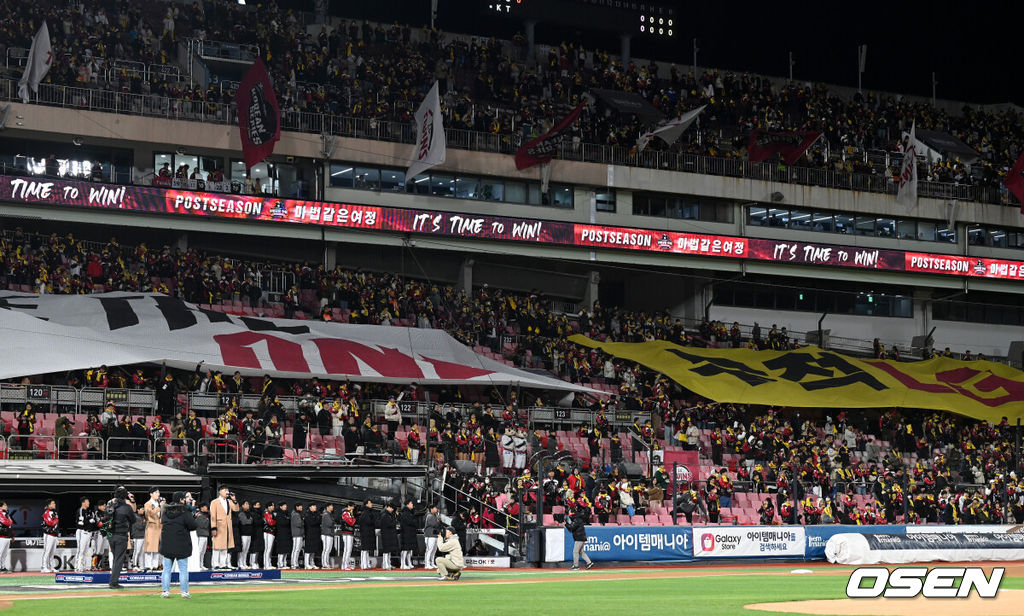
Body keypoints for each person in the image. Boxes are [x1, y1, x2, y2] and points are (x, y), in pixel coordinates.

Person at [160, 491, 198, 599]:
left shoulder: (165, 512)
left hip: (167, 543)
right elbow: (193, 525)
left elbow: (163, 523)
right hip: (181, 544)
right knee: (183, 569)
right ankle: (184, 592)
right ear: (181, 500)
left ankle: (165, 591)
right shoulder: (185, 511)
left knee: (167, 569)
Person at [106, 487, 138, 589]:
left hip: (110, 535)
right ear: (125, 496)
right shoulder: (126, 507)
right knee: (119, 559)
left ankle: (113, 581)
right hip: (121, 535)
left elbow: (106, 518)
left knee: (116, 558)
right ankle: (113, 582)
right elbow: (133, 520)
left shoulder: (110, 505)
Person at [210, 487, 240, 570]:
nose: (227, 492)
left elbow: (236, 509)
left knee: (225, 546)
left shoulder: (229, 501)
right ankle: (215, 564)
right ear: (219, 491)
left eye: (227, 490)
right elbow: (213, 516)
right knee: (217, 546)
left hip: (227, 526)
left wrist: (234, 500)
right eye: (225, 490)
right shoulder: (214, 502)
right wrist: (213, 527)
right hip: (219, 526)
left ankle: (223, 563)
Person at [565, 506, 594, 571]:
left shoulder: (576, 519)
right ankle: (589, 562)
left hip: (579, 538)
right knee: (581, 552)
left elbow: (572, 528)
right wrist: (567, 524)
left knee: (575, 552)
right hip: (581, 537)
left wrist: (566, 524)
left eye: (569, 512)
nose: (568, 513)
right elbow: (571, 529)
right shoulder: (576, 518)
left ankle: (576, 566)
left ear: (572, 512)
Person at [75, 497, 96, 572]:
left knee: (85, 550)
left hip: (88, 533)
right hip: (82, 532)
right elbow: (81, 523)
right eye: (87, 501)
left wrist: (90, 522)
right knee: (81, 550)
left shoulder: (89, 511)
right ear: (83, 502)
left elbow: (92, 522)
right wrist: (89, 522)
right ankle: (77, 566)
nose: (88, 503)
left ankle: (82, 566)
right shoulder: (81, 510)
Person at [144, 487, 162, 571]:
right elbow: (149, 514)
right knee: (150, 547)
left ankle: (155, 565)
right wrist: (159, 508)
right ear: (151, 494)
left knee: (157, 548)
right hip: (151, 526)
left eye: (158, 492)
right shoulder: (148, 503)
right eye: (156, 492)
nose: (158, 494)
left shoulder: (159, 503)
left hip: (159, 526)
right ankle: (148, 565)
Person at [376, 502, 398, 570]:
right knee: (386, 551)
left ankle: (388, 564)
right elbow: (389, 524)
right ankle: (385, 565)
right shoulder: (385, 515)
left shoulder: (388, 514)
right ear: (388, 507)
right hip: (386, 534)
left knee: (388, 551)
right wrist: (394, 522)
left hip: (388, 534)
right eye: (391, 508)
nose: (392, 509)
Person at [40, 499, 59, 573]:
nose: (54, 504)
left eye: (54, 503)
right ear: (49, 505)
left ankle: (51, 567)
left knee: (52, 552)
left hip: (54, 534)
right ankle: (43, 567)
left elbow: (55, 523)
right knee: (47, 551)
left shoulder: (54, 512)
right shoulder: (46, 513)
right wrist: (56, 520)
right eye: (53, 503)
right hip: (48, 534)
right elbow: (50, 523)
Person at [398, 500, 418, 570]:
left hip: (410, 533)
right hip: (406, 533)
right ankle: (403, 564)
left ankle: (409, 563)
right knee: (405, 549)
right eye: (411, 503)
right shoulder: (405, 513)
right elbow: (411, 522)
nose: (412, 504)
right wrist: (414, 522)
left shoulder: (410, 512)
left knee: (409, 549)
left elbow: (414, 522)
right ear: (407, 505)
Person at [357, 500, 376, 569]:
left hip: (367, 532)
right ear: (366, 504)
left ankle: (366, 564)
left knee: (366, 549)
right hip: (366, 532)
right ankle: (364, 564)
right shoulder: (366, 513)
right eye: (370, 503)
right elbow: (369, 522)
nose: (371, 504)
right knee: (364, 549)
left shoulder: (367, 512)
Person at [303, 503, 321, 569]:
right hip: (309, 533)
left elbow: (318, 521)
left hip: (315, 533)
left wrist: (317, 520)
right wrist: (317, 520)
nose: (315, 507)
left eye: (315, 505)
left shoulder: (316, 514)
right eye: (314, 506)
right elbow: (312, 523)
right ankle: (306, 564)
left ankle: (312, 563)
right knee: (308, 549)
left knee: (313, 550)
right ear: (310, 507)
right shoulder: (307, 514)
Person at [339, 504, 356, 570]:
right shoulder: (345, 512)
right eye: (352, 506)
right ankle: (345, 565)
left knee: (348, 550)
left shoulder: (349, 513)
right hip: (347, 533)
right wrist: (353, 518)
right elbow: (351, 522)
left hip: (349, 532)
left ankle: (345, 565)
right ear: (349, 506)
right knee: (347, 550)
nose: (353, 508)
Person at [237, 501, 254, 569]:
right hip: (243, 533)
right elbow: (244, 522)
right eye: (246, 504)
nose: (248, 505)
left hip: (249, 533)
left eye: (248, 504)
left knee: (246, 550)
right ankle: (240, 563)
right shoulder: (241, 513)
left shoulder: (249, 513)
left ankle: (244, 562)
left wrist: (249, 520)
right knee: (243, 549)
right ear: (243, 505)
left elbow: (251, 521)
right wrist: (249, 520)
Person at [422, 503, 439, 570]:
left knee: (434, 550)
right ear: (431, 509)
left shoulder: (434, 515)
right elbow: (435, 524)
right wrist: (438, 521)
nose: (436, 509)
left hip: (434, 535)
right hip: (429, 535)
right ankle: (427, 564)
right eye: (435, 508)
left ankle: (432, 563)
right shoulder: (430, 515)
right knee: (429, 550)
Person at [275, 502, 291, 569]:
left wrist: (287, 520)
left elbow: (288, 521)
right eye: (284, 505)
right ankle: (280, 564)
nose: (285, 506)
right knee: (281, 549)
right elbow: (283, 523)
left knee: (285, 549)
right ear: (280, 507)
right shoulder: (279, 514)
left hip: (286, 533)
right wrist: (287, 520)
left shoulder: (286, 513)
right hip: (281, 533)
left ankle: (284, 563)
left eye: (286, 505)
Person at [130, 505, 146, 571]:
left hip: (142, 536)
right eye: (142, 509)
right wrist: (144, 523)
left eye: (143, 509)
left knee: (142, 552)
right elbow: (140, 526)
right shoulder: (135, 517)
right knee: (136, 551)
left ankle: (141, 565)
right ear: (138, 510)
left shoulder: (142, 517)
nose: (143, 510)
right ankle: (134, 565)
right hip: (137, 536)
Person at [194, 505, 210, 570]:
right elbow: (204, 525)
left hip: (205, 535)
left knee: (203, 551)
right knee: (200, 551)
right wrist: (207, 520)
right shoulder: (199, 516)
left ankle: (201, 564)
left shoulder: (204, 516)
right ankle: (198, 565)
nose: (206, 508)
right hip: (201, 535)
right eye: (205, 507)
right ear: (202, 508)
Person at [262, 501, 277, 569]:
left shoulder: (271, 513)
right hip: (268, 532)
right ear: (268, 506)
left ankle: (269, 563)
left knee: (270, 549)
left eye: (273, 505)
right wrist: (276, 521)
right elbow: (270, 522)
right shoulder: (266, 512)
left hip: (271, 532)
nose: (273, 507)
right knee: (267, 549)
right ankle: (266, 565)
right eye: (272, 506)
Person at [320, 504, 335, 569]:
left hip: (329, 533)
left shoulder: (329, 514)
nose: (332, 507)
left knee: (328, 549)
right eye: (331, 506)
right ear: (327, 507)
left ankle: (327, 563)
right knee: (326, 549)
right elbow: (330, 523)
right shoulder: (326, 514)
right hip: (326, 534)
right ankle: (324, 564)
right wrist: (333, 522)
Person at [290, 503, 305, 569]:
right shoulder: (295, 514)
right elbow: (298, 524)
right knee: (296, 549)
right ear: (297, 507)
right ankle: (294, 563)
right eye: (300, 506)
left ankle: (294, 563)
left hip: (299, 533)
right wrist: (303, 521)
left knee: (297, 549)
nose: (301, 507)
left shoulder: (297, 514)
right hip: (296, 534)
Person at [0, 501, 12, 573]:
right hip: (1, 536)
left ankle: (3, 567)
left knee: (4, 553)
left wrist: (12, 535)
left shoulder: (6, 514)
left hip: (7, 536)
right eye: (5, 505)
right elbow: (7, 522)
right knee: (0, 553)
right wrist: (9, 521)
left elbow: (10, 524)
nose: (6, 506)